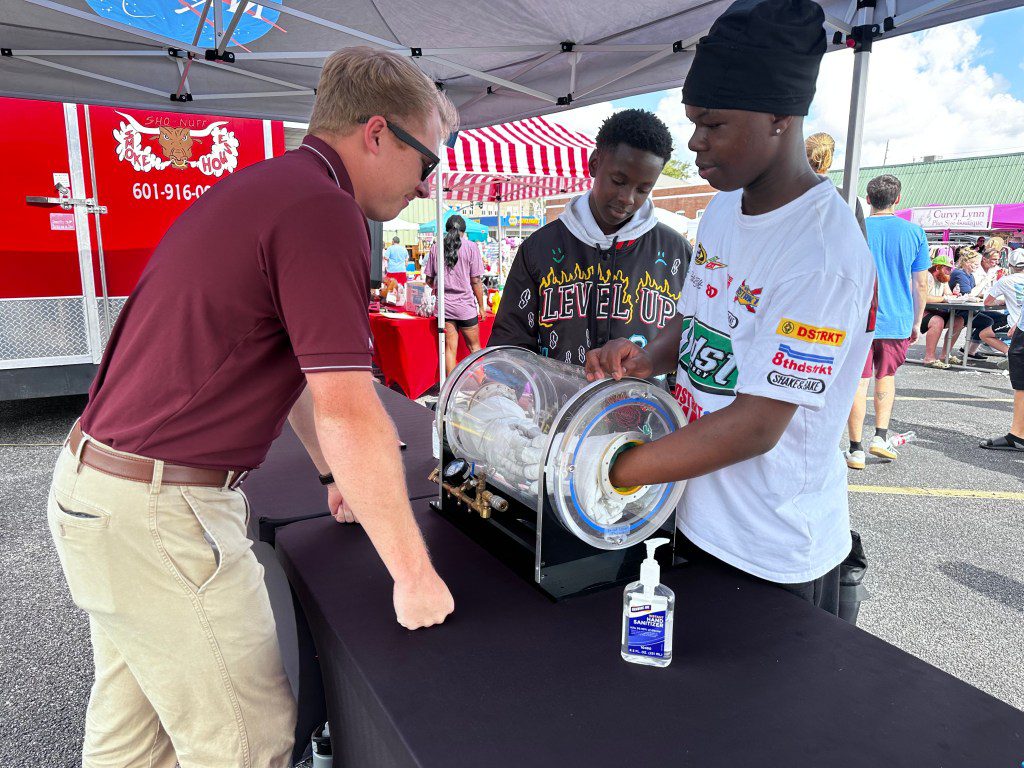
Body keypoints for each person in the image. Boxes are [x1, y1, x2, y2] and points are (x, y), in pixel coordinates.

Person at [47, 47, 457, 767]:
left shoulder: (271, 188)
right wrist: (414, 574)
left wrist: (335, 477)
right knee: (247, 746)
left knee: (131, 743)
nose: (428, 187)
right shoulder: (324, 211)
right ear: (377, 133)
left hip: (99, 496)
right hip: (159, 517)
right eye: (427, 163)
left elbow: (291, 367)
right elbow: (347, 406)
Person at [586, 0, 875, 614]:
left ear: (780, 116)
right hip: (692, 513)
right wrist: (646, 357)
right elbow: (694, 320)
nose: (695, 142)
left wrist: (614, 468)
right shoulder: (722, 209)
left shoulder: (820, 255)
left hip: (768, 552)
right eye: (694, 122)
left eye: (712, 124)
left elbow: (756, 426)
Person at [489, 109, 690, 365]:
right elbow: (509, 344)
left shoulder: (677, 252)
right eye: (618, 181)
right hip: (561, 405)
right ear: (595, 164)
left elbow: (689, 344)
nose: (627, 198)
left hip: (647, 404)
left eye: (643, 189)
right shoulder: (538, 249)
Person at [844, 174, 928, 468]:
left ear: (868, 200)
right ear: (898, 199)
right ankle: (880, 437)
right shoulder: (914, 233)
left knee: (858, 382)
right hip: (897, 318)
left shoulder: (855, 228)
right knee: (886, 377)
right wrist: (917, 321)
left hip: (858, 318)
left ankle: (855, 448)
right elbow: (920, 284)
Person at [424, 214, 486, 374]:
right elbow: (476, 281)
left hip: (445, 307)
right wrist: (481, 306)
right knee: (474, 348)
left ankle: (451, 390)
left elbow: (429, 280)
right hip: (465, 306)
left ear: (447, 230)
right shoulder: (471, 247)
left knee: (449, 348)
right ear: (464, 231)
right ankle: (482, 386)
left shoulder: (436, 247)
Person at [980, 248, 1024, 451]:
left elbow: (987, 301)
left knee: (1021, 383)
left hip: (1019, 329)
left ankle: (1018, 434)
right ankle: (1017, 434)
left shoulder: (1006, 280)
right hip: (1019, 326)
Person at [920, 248, 960, 368]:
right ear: (937, 268)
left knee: (959, 321)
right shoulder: (927, 276)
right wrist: (944, 298)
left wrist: (954, 295)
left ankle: (944, 355)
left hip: (933, 310)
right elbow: (924, 298)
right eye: (947, 268)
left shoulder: (943, 279)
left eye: (950, 269)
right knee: (938, 321)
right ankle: (929, 358)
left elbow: (948, 295)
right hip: (917, 312)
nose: (949, 271)